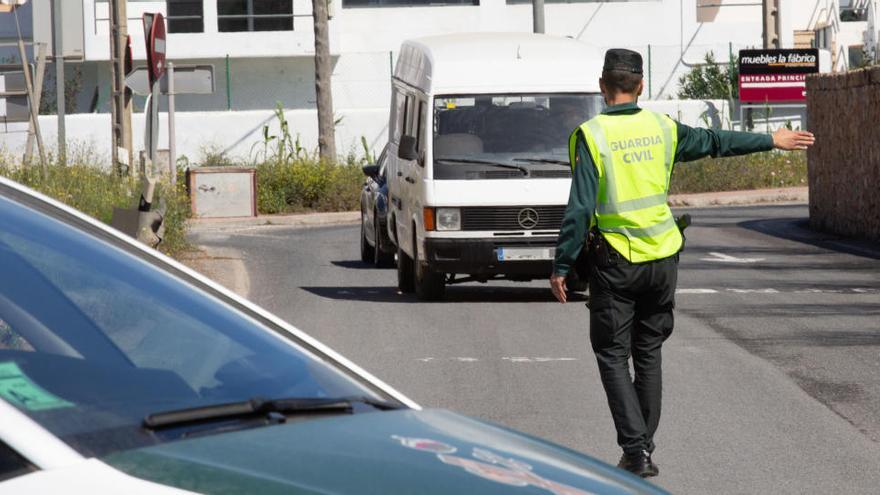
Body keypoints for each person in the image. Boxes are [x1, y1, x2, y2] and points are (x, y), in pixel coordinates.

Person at [548, 48, 814, 478]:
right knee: (648, 351)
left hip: (616, 261)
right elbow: (716, 142)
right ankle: (642, 449)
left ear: (602, 87)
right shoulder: (662, 127)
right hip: (663, 258)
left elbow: (580, 208)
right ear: (641, 87)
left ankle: (636, 451)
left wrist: (562, 265)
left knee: (612, 354)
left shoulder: (590, 135)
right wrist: (771, 139)